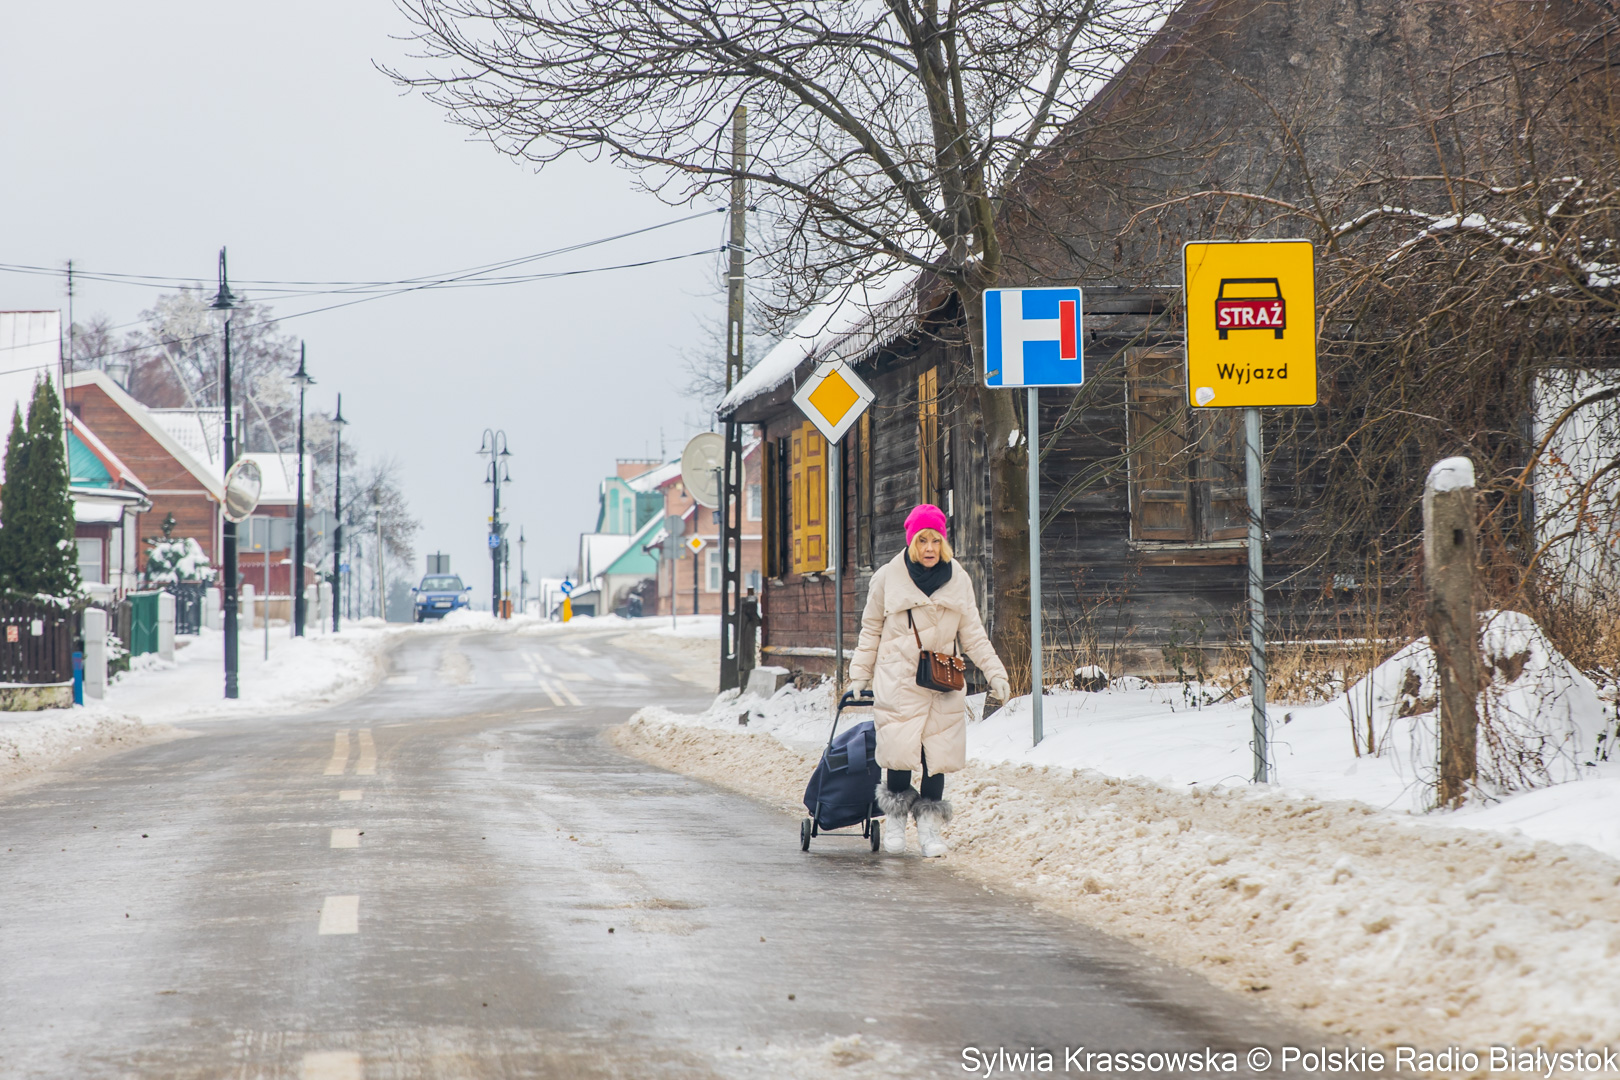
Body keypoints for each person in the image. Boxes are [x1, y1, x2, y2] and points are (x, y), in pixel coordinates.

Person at [847, 504, 1011, 856]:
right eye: (922, 540)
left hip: (942, 679)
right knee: (900, 752)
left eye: (936, 540)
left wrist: (995, 672)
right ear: (911, 542)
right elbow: (870, 629)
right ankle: (895, 823)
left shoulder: (959, 579)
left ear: (944, 543)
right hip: (899, 678)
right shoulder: (887, 578)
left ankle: (929, 830)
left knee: (937, 755)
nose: (930, 548)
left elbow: (974, 634)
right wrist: (860, 674)